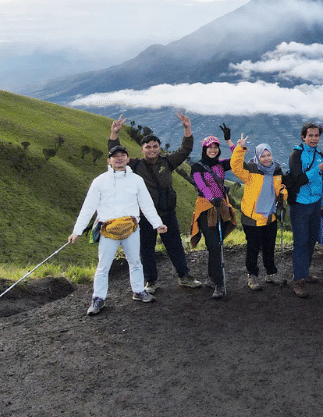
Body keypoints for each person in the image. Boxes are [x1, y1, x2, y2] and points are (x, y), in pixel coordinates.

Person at [108, 112, 202, 294]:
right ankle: (150, 281)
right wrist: (114, 135)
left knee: (175, 245)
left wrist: (187, 129)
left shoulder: (167, 162)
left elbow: (185, 150)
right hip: (144, 216)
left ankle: (184, 276)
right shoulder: (134, 166)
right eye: (148, 147)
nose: (152, 150)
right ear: (141, 149)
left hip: (167, 213)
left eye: (155, 146)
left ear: (159, 148)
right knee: (146, 250)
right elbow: (116, 156)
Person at [69, 145, 166, 315]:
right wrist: (77, 231)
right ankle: (98, 298)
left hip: (131, 227)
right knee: (103, 266)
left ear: (128, 159)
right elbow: (88, 207)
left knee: (135, 261)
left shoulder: (137, 180)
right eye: (115, 156)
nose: (119, 158)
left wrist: (157, 223)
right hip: (107, 229)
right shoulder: (100, 181)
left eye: (123, 156)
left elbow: (146, 204)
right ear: (109, 160)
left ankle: (138, 291)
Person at [230, 135, 288, 291]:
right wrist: (239, 149)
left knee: (269, 246)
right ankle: (252, 276)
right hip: (252, 217)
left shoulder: (276, 169)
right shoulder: (250, 169)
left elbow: (279, 189)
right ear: (257, 156)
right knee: (253, 248)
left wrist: (284, 193)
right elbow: (235, 167)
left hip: (270, 216)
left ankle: (271, 273)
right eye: (263, 155)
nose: (266, 158)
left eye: (268, 155)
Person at [189, 127, 238, 299]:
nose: (213, 150)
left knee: (216, 245)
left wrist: (229, 141)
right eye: (210, 147)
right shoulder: (196, 167)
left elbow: (238, 160)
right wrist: (212, 199)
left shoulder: (221, 165)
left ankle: (211, 277)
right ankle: (219, 283)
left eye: (216, 147)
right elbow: (200, 186)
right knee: (214, 245)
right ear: (204, 149)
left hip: (222, 207)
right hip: (205, 208)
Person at [286, 122, 323, 298]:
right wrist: (317, 170)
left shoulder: (320, 154)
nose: (313, 138)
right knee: (300, 242)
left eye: (316, 135)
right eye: (310, 135)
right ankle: (298, 280)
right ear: (303, 137)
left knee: (311, 240)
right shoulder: (295, 155)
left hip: (315, 203)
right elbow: (299, 180)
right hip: (300, 204)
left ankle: (304, 271)